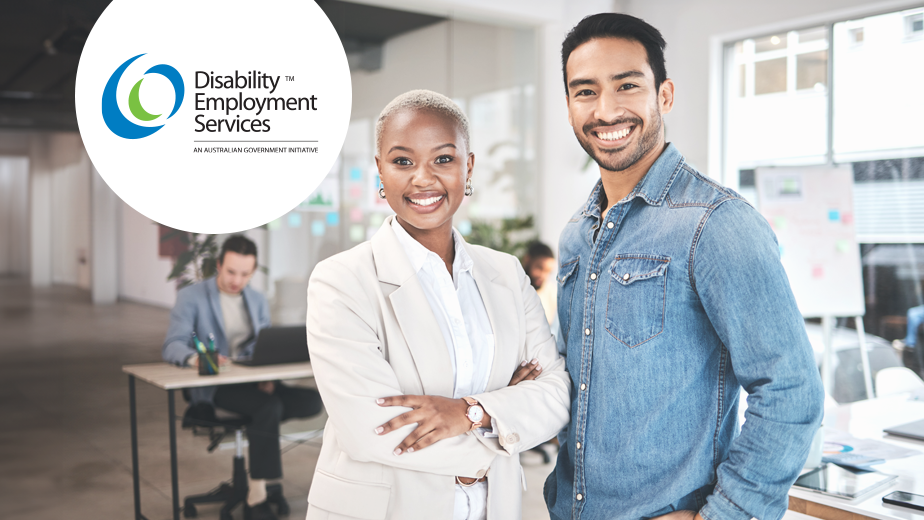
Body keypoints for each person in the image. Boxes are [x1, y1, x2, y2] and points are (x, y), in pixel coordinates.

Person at [544, 14, 824, 520]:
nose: (606, 110)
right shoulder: (575, 236)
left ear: (664, 95)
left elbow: (791, 392)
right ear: (568, 107)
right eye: (584, 91)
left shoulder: (717, 224)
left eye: (626, 85)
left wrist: (727, 515)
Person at [305, 89, 571, 520]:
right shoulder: (342, 281)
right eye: (403, 161)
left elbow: (556, 395)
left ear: (468, 166)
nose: (423, 179)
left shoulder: (505, 273)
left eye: (443, 159)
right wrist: (497, 430)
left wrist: (468, 413)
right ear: (380, 171)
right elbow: (371, 429)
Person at [162, 235, 322, 520]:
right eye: (231, 272)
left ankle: (258, 475)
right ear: (219, 265)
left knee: (311, 402)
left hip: (252, 377)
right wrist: (194, 358)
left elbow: (264, 343)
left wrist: (268, 374)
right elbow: (173, 344)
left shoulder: (257, 300)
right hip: (215, 384)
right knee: (267, 408)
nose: (237, 280)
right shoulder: (192, 297)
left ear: (253, 271)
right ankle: (258, 494)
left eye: (245, 274)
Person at [522, 240, 558, 327]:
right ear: (527, 259)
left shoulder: (550, 292)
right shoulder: (511, 285)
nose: (543, 276)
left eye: (548, 271)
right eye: (539, 268)